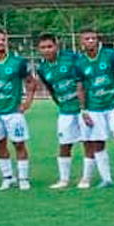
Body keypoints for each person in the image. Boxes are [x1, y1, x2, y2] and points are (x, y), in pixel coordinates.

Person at [76, 29, 114, 188]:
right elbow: (80, 88)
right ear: (81, 43)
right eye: (87, 39)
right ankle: (106, 179)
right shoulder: (79, 63)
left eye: (93, 38)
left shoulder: (110, 55)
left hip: (113, 106)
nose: (91, 41)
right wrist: (83, 111)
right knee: (98, 143)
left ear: (98, 40)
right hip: (94, 108)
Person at [0, 29, 35, 190]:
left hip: (13, 112)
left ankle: (23, 179)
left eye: (3, 39)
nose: (1, 42)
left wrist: (27, 102)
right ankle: (7, 177)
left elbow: (31, 82)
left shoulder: (17, 62)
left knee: (19, 144)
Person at [35, 34, 90, 189]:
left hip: (82, 108)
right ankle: (63, 180)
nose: (47, 50)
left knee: (87, 142)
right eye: (43, 47)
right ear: (39, 49)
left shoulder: (71, 58)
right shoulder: (42, 68)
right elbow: (51, 89)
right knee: (64, 144)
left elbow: (85, 75)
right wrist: (59, 103)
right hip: (65, 110)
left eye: (49, 46)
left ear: (56, 46)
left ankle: (86, 178)